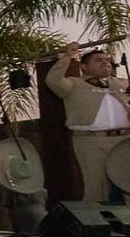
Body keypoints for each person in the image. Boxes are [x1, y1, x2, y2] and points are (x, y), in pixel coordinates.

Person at [46, 42, 130, 203]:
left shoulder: (121, 84)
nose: (105, 62)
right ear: (83, 67)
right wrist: (67, 57)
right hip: (90, 141)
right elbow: (53, 81)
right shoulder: (73, 84)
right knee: (96, 186)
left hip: (124, 140)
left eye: (107, 60)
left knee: (128, 183)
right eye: (99, 60)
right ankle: (99, 225)